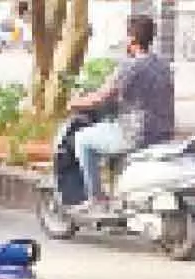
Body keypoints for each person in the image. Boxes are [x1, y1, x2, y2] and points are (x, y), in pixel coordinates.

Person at [67, 14, 174, 209]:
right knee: (108, 133)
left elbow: (102, 95)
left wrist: (74, 103)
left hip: (137, 134)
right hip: (163, 133)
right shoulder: (163, 65)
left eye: (126, 36)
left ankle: (96, 199)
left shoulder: (130, 66)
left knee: (82, 139)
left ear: (132, 39)